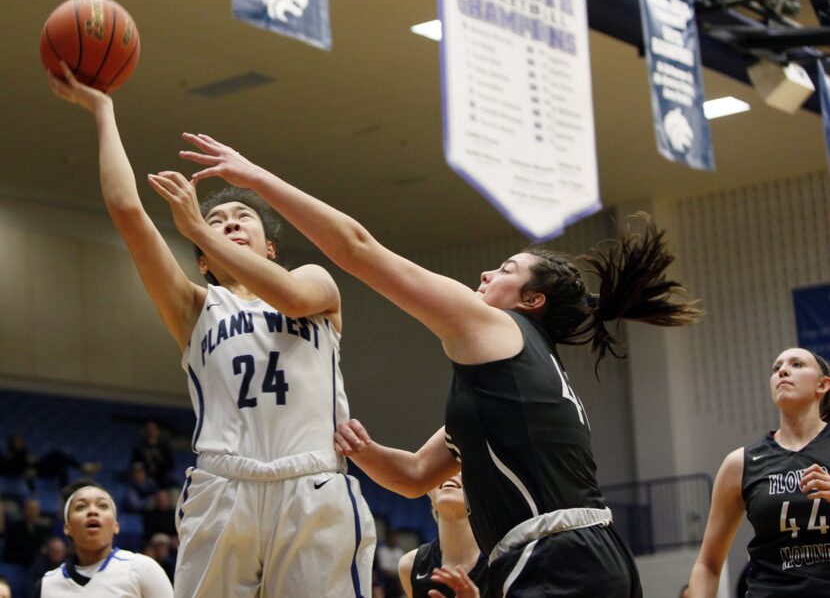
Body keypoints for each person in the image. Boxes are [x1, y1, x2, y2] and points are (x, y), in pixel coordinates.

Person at [175, 133, 702, 596]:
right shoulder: (509, 385)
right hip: (580, 552)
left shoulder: (498, 329)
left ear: (531, 301)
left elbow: (357, 248)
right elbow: (415, 477)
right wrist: (360, 449)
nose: (487, 272)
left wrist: (257, 179)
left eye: (507, 269)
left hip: (556, 554)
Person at [48, 64, 375, 598]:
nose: (228, 223)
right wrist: (104, 111)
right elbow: (128, 212)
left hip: (312, 482)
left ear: (269, 248)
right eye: (217, 220)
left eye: (241, 217)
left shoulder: (313, 282)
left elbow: (290, 297)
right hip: (224, 487)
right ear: (203, 263)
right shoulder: (197, 307)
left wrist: (197, 227)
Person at [688, 348, 830, 596]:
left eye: (797, 364)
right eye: (776, 368)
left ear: (823, 385)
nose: (783, 371)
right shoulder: (740, 463)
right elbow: (707, 564)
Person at [32, 482, 173, 597]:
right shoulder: (47, 585)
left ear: (115, 525)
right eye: (81, 507)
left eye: (102, 506)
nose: (93, 511)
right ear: (67, 527)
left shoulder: (143, 569)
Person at [398, 472, 486, 598]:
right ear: (430, 494)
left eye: (460, 466)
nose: (450, 472)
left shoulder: (501, 559)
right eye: (444, 468)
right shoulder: (410, 566)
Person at [4, 499, 52, 566]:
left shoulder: (42, 529)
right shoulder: (15, 528)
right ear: (24, 510)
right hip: (20, 562)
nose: (33, 512)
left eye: (35, 510)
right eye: (30, 509)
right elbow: (15, 551)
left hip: (38, 562)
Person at [130, 421, 174, 488]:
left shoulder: (164, 447)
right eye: (148, 429)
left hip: (163, 478)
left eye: (153, 429)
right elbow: (136, 464)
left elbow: (170, 465)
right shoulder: (140, 448)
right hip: (145, 479)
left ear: (158, 431)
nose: (150, 432)